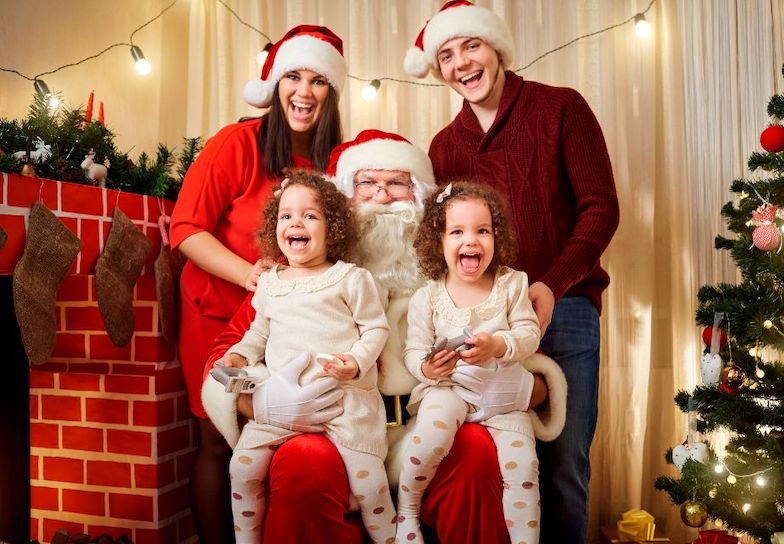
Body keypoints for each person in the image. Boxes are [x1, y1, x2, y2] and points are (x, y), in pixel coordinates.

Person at [201, 130, 567, 543]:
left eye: (397, 184)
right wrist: (262, 402)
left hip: (430, 425)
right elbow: (227, 353)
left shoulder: (467, 276)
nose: (381, 197)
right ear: (341, 201)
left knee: (478, 452)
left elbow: (523, 350)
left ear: (423, 200)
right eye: (366, 184)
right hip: (335, 424)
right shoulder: (292, 277)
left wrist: (522, 389)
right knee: (304, 459)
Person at [404, 2, 620, 542]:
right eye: (447, 56)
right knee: (498, 459)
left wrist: (551, 283)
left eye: (470, 46)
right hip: (481, 320)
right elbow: (443, 238)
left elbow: (601, 207)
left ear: (495, 47)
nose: (462, 63)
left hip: (564, 307)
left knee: (564, 461)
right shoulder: (444, 146)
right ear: (439, 70)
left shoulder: (561, 108)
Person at [169, 24, 347, 544]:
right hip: (215, 315)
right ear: (274, 83)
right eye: (293, 75)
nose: (304, 91)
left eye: (318, 80)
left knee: (276, 440)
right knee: (220, 440)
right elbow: (186, 229)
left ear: (331, 92)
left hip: (288, 327)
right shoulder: (236, 144)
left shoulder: (333, 162)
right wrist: (248, 274)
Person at [214, 171, 395, 544]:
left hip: (343, 405)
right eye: (286, 216)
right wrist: (237, 356)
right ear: (274, 227)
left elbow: (376, 329)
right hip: (281, 405)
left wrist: (356, 361)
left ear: (334, 228)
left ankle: (391, 538)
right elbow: (258, 334)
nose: (296, 222)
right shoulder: (270, 283)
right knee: (243, 468)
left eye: (310, 216)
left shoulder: (350, 279)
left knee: (370, 486)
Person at [398, 181, 542, 544]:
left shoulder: (512, 284)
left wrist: (498, 344)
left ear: (497, 237)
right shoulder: (427, 297)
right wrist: (428, 369)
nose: (471, 241)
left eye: (483, 231)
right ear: (439, 242)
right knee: (429, 439)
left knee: (524, 469)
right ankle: (408, 511)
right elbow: (414, 351)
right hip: (451, 389)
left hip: (504, 399)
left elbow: (528, 334)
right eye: (457, 232)